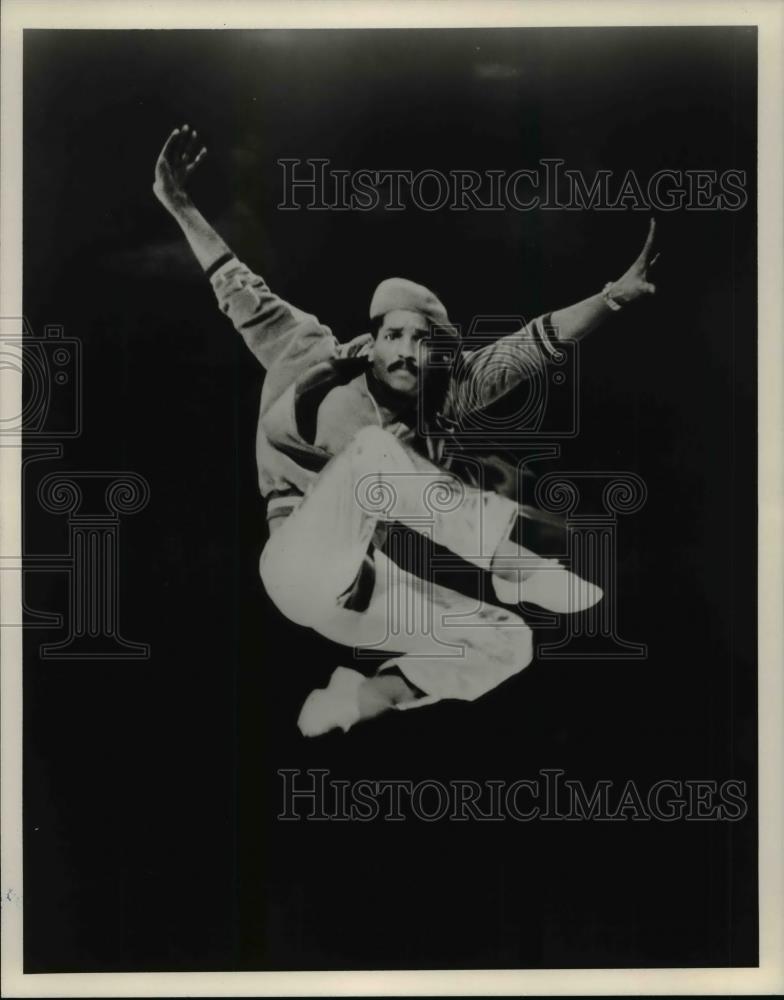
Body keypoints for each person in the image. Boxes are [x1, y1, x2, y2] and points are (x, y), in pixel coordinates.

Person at [152, 124, 659, 736]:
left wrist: (612, 298)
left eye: (422, 342)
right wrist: (181, 206)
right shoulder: (315, 352)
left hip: (357, 594)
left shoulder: (446, 396)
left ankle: (362, 699)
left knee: (509, 641)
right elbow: (239, 290)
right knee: (372, 453)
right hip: (296, 563)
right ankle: (508, 559)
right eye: (394, 334)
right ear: (374, 341)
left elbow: (533, 346)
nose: (407, 351)